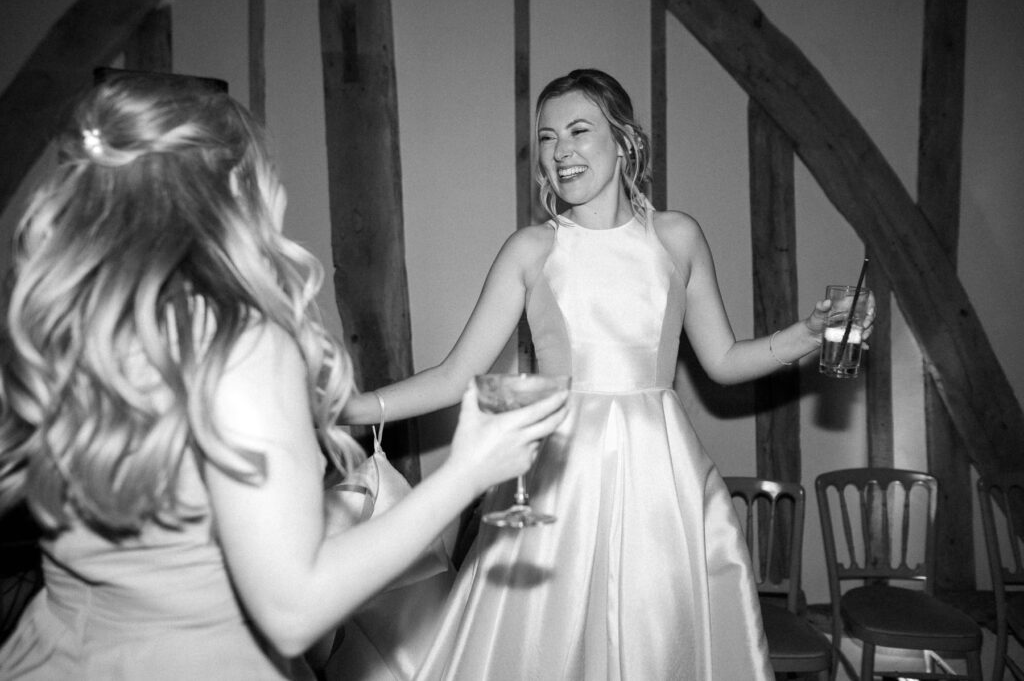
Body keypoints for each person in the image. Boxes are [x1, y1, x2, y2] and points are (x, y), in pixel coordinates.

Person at [0, 70, 569, 680]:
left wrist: (339, 509)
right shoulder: (240, 344)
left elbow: (171, 535)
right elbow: (292, 610)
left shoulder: (62, 329)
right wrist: (467, 472)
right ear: (236, 188)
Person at [338, 68, 875, 680]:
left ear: (624, 141)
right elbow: (452, 375)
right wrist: (349, 409)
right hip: (556, 479)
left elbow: (723, 362)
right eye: (546, 137)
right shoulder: (531, 250)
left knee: (655, 640)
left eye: (577, 130)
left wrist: (811, 330)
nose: (560, 150)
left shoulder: (678, 238)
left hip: (661, 482)